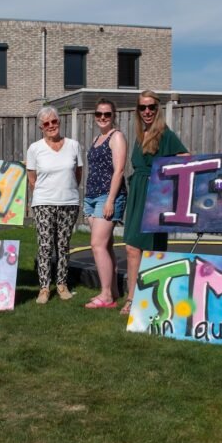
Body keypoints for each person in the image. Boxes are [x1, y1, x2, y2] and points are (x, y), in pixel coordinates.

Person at [121, 90, 189, 316]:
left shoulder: (165, 135)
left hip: (155, 196)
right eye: (143, 108)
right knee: (131, 247)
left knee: (151, 248)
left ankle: (155, 300)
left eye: (151, 107)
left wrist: (163, 179)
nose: (147, 111)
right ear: (138, 111)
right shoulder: (141, 134)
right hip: (137, 194)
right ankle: (132, 298)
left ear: (157, 109)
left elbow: (186, 160)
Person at [26, 106, 83, 305]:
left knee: (63, 245)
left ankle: (61, 284)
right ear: (41, 127)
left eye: (54, 121)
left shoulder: (74, 145)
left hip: (69, 202)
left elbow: (78, 174)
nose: (51, 126)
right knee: (45, 245)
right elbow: (32, 178)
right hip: (43, 203)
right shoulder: (35, 148)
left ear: (59, 122)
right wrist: (44, 195)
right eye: (46, 123)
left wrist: (67, 191)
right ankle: (44, 287)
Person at [82, 99, 127, 308]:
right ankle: (114, 290)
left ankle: (106, 295)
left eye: (107, 114)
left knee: (97, 245)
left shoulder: (116, 137)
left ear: (113, 115)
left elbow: (118, 170)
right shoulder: (97, 138)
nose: (102, 117)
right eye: (99, 114)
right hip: (91, 196)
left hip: (107, 197)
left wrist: (110, 200)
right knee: (106, 245)